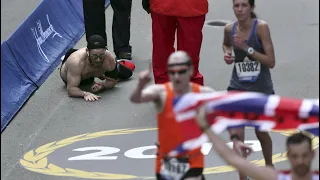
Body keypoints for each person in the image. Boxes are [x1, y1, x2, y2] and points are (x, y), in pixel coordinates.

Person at [130, 51, 214, 180]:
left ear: (191, 70)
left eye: (181, 72)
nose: (176, 77)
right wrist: (140, 84)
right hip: (166, 162)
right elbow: (136, 99)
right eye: (172, 72)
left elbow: (228, 112)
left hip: (192, 160)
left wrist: (235, 138)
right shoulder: (161, 92)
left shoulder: (203, 94)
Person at [222, 0, 276, 179]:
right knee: (237, 136)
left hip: (261, 89)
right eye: (236, 6)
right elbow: (227, 44)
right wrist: (228, 53)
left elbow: (271, 61)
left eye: (244, 5)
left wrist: (247, 49)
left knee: (261, 132)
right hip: (237, 88)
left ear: (251, 8)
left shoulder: (261, 28)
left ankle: (269, 167)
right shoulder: (229, 29)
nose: (240, 9)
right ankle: (242, 177)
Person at [195, 104, 319, 180]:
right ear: (288, 156)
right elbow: (232, 158)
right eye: (295, 156)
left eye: (305, 155)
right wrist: (206, 128)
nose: (300, 161)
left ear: (313, 154)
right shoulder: (276, 178)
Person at [141, 0, 208, 85]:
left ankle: (164, 87)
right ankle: (188, 87)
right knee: (190, 49)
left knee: (162, 46)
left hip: (161, 4)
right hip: (192, 5)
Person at [60, 35, 133, 102]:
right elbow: (71, 89)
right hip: (77, 71)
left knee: (127, 73)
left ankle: (113, 66)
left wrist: (103, 86)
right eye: (94, 56)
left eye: (101, 56)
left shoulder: (108, 58)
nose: (98, 60)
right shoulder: (76, 62)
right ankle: (68, 56)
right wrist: (85, 94)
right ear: (87, 52)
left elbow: (112, 81)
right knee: (82, 77)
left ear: (105, 50)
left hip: (91, 74)